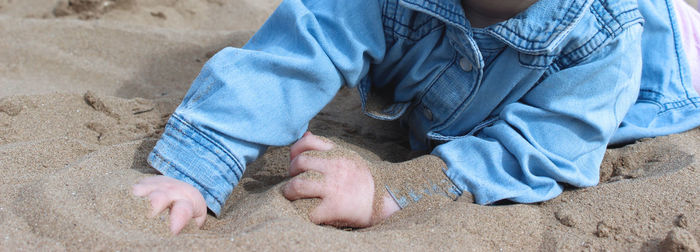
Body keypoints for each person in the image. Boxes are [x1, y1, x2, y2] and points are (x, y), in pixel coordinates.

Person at [132, 0, 700, 234]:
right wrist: (199, 165)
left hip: (666, 62)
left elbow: (543, 151)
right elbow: (300, 46)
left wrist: (395, 189)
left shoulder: (604, 36)